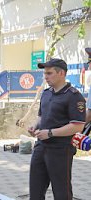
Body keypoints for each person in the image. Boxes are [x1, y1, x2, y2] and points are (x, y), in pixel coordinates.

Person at [28, 58, 86, 199]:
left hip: (61, 149)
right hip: (41, 147)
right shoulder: (46, 93)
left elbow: (78, 126)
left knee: (61, 192)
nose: (45, 77)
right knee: (35, 191)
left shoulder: (74, 96)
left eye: (49, 73)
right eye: (45, 73)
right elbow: (42, 116)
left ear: (61, 73)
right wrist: (35, 125)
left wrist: (50, 133)